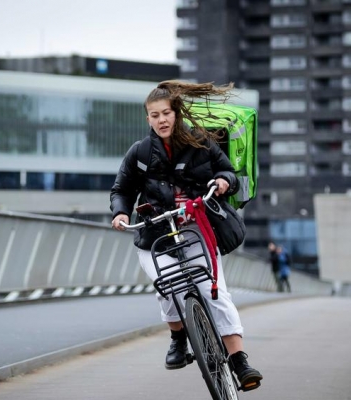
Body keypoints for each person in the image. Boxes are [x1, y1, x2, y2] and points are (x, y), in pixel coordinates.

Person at [110, 80, 263, 391]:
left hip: (197, 230)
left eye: (166, 113)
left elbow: (228, 172)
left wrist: (223, 182)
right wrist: (121, 212)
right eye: (155, 115)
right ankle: (178, 337)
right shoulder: (140, 153)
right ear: (148, 119)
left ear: (176, 114)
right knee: (167, 287)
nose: (162, 120)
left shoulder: (201, 142)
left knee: (213, 291)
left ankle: (239, 361)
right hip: (155, 235)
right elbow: (121, 190)